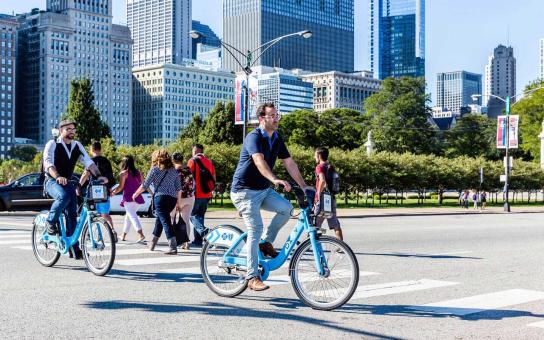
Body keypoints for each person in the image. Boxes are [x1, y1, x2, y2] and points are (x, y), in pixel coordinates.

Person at [231, 102, 308, 292]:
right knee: (255, 228)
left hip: (262, 190)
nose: (276, 119)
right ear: (261, 119)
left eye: (276, 115)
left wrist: (305, 186)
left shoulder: (277, 138)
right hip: (244, 192)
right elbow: (259, 161)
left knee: (286, 209)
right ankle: (251, 276)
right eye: (271, 116)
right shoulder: (253, 137)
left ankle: (265, 244)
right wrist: (274, 179)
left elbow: (289, 163)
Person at [42, 119, 105, 259]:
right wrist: (57, 176)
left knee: (72, 216)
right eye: (68, 129)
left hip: (67, 182)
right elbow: (48, 163)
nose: (72, 131)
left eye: (73, 129)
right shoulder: (52, 144)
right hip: (52, 181)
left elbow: (88, 162)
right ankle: (50, 222)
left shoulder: (77, 145)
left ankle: (74, 248)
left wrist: (99, 176)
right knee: (64, 197)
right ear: (61, 130)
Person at [133, 149, 182, 255]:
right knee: (160, 220)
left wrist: (135, 194)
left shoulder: (155, 169)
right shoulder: (173, 170)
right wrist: (178, 202)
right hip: (172, 199)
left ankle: (173, 247)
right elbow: (179, 188)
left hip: (160, 198)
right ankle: (152, 244)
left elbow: (145, 185)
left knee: (165, 221)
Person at [80, 141, 117, 241]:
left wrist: (79, 186)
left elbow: (85, 175)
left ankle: (88, 234)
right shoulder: (106, 161)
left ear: (91, 150)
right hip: (104, 191)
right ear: (100, 149)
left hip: (93, 191)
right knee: (105, 214)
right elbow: (111, 177)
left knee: (91, 213)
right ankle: (112, 231)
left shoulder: (90, 161)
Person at [187, 143, 216, 247]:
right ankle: (198, 241)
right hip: (207, 194)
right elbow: (213, 178)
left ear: (195, 151)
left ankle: (206, 233)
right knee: (200, 217)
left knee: (192, 216)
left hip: (196, 194)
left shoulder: (192, 161)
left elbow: (187, 177)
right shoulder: (209, 162)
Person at [112, 156, 146, 242]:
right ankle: (123, 235)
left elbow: (120, 187)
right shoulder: (138, 172)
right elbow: (144, 184)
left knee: (132, 216)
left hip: (129, 198)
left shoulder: (124, 173)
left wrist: (113, 192)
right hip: (137, 198)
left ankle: (141, 234)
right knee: (128, 217)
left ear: (124, 163)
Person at [314, 147, 343, 241]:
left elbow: (322, 180)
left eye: (315, 155)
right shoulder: (331, 167)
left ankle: (310, 245)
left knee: (314, 224)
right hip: (331, 198)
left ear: (319, 155)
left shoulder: (319, 167)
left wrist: (318, 194)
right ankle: (341, 245)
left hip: (322, 199)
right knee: (335, 224)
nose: (314, 157)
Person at [171, 152, 195, 250]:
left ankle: (173, 241)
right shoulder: (188, 169)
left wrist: (177, 201)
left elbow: (175, 186)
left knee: (171, 218)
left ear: (173, 160)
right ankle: (186, 243)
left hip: (179, 197)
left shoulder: (174, 170)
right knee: (186, 220)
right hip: (190, 197)